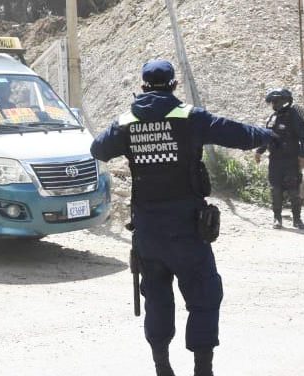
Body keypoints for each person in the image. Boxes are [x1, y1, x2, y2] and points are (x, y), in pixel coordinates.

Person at [90, 59, 275, 376]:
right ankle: (203, 370)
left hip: (148, 233)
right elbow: (241, 135)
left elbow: (98, 150)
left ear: (144, 86)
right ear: (174, 84)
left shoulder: (127, 121)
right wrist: (268, 135)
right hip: (188, 230)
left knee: (157, 301)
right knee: (204, 296)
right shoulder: (190, 117)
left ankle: (162, 367)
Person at [254, 88, 304, 229]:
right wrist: (259, 151)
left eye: (275, 101)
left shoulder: (294, 114)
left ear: (283, 101)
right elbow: (267, 136)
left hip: (291, 160)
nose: (273, 104)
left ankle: (297, 219)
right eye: (272, 102)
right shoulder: (273, 117)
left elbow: (303, 137)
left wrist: (302, 156)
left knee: (294, 191)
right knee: (275, 190)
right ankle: (277, 218)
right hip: (275, 161)